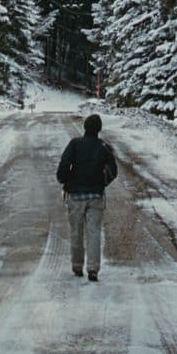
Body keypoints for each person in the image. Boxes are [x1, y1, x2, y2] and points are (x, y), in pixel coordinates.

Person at [56, 113, 118, 281]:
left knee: (76, 231)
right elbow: (113, 170)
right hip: (96, 195)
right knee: (94, 232)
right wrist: (102, 182)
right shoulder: (103, 147)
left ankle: (77, 266)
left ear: (85, 127)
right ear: (99, 129)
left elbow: (63, 167)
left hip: (75, 195)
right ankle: (93, 269)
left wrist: (65, 180)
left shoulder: (74, 144)